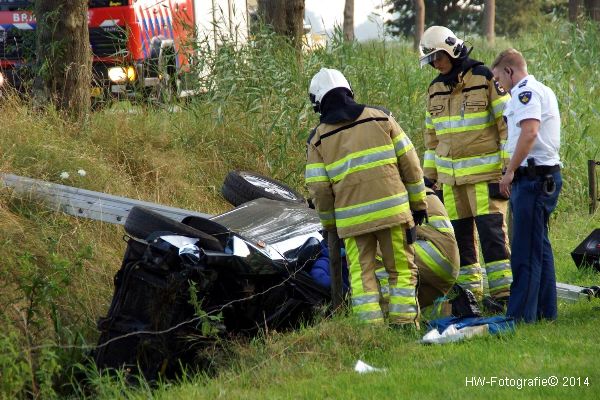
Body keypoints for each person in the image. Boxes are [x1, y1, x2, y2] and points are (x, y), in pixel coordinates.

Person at [305, 68, 427, 328]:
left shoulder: (319, 139)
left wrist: (330, 226)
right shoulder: (382, 119)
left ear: (318, 102)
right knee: (402, 270)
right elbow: (412, 164)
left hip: (352, 222)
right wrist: (418, 204)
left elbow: (320, 190)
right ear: (349, 90)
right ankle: (405, 325)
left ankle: (371, 333)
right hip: (393, 212)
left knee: (362, 277)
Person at [418, 26, 512, 302]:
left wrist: (508, 168)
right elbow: (431, 140)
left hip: (485, 177)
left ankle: (503, 294)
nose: (436, 63)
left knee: (492, 235)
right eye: (432, 59)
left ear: (451, 49)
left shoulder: (484, 78)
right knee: (462, 240)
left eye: (438, 56)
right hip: (451, 182)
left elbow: (507, 126)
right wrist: (428, 178)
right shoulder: (434, 89)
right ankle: (471, 295)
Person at [491, 49, 562, 323]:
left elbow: (530, 131)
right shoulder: (540, 89)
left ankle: (521, 316)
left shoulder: (525, 91)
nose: (499, 85)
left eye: (498, 78)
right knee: (538, 247)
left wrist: (509, 172)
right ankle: (545, 312)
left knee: (524, 251)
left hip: (533, 178)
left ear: (509, 71)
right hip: (540, 177)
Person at [376, 179, 460, 310]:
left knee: (374, 250)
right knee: (412, 300)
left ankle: (387, 310)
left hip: (433, 258)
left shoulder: (404, 194)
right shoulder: (425, 193)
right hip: (444, 269)